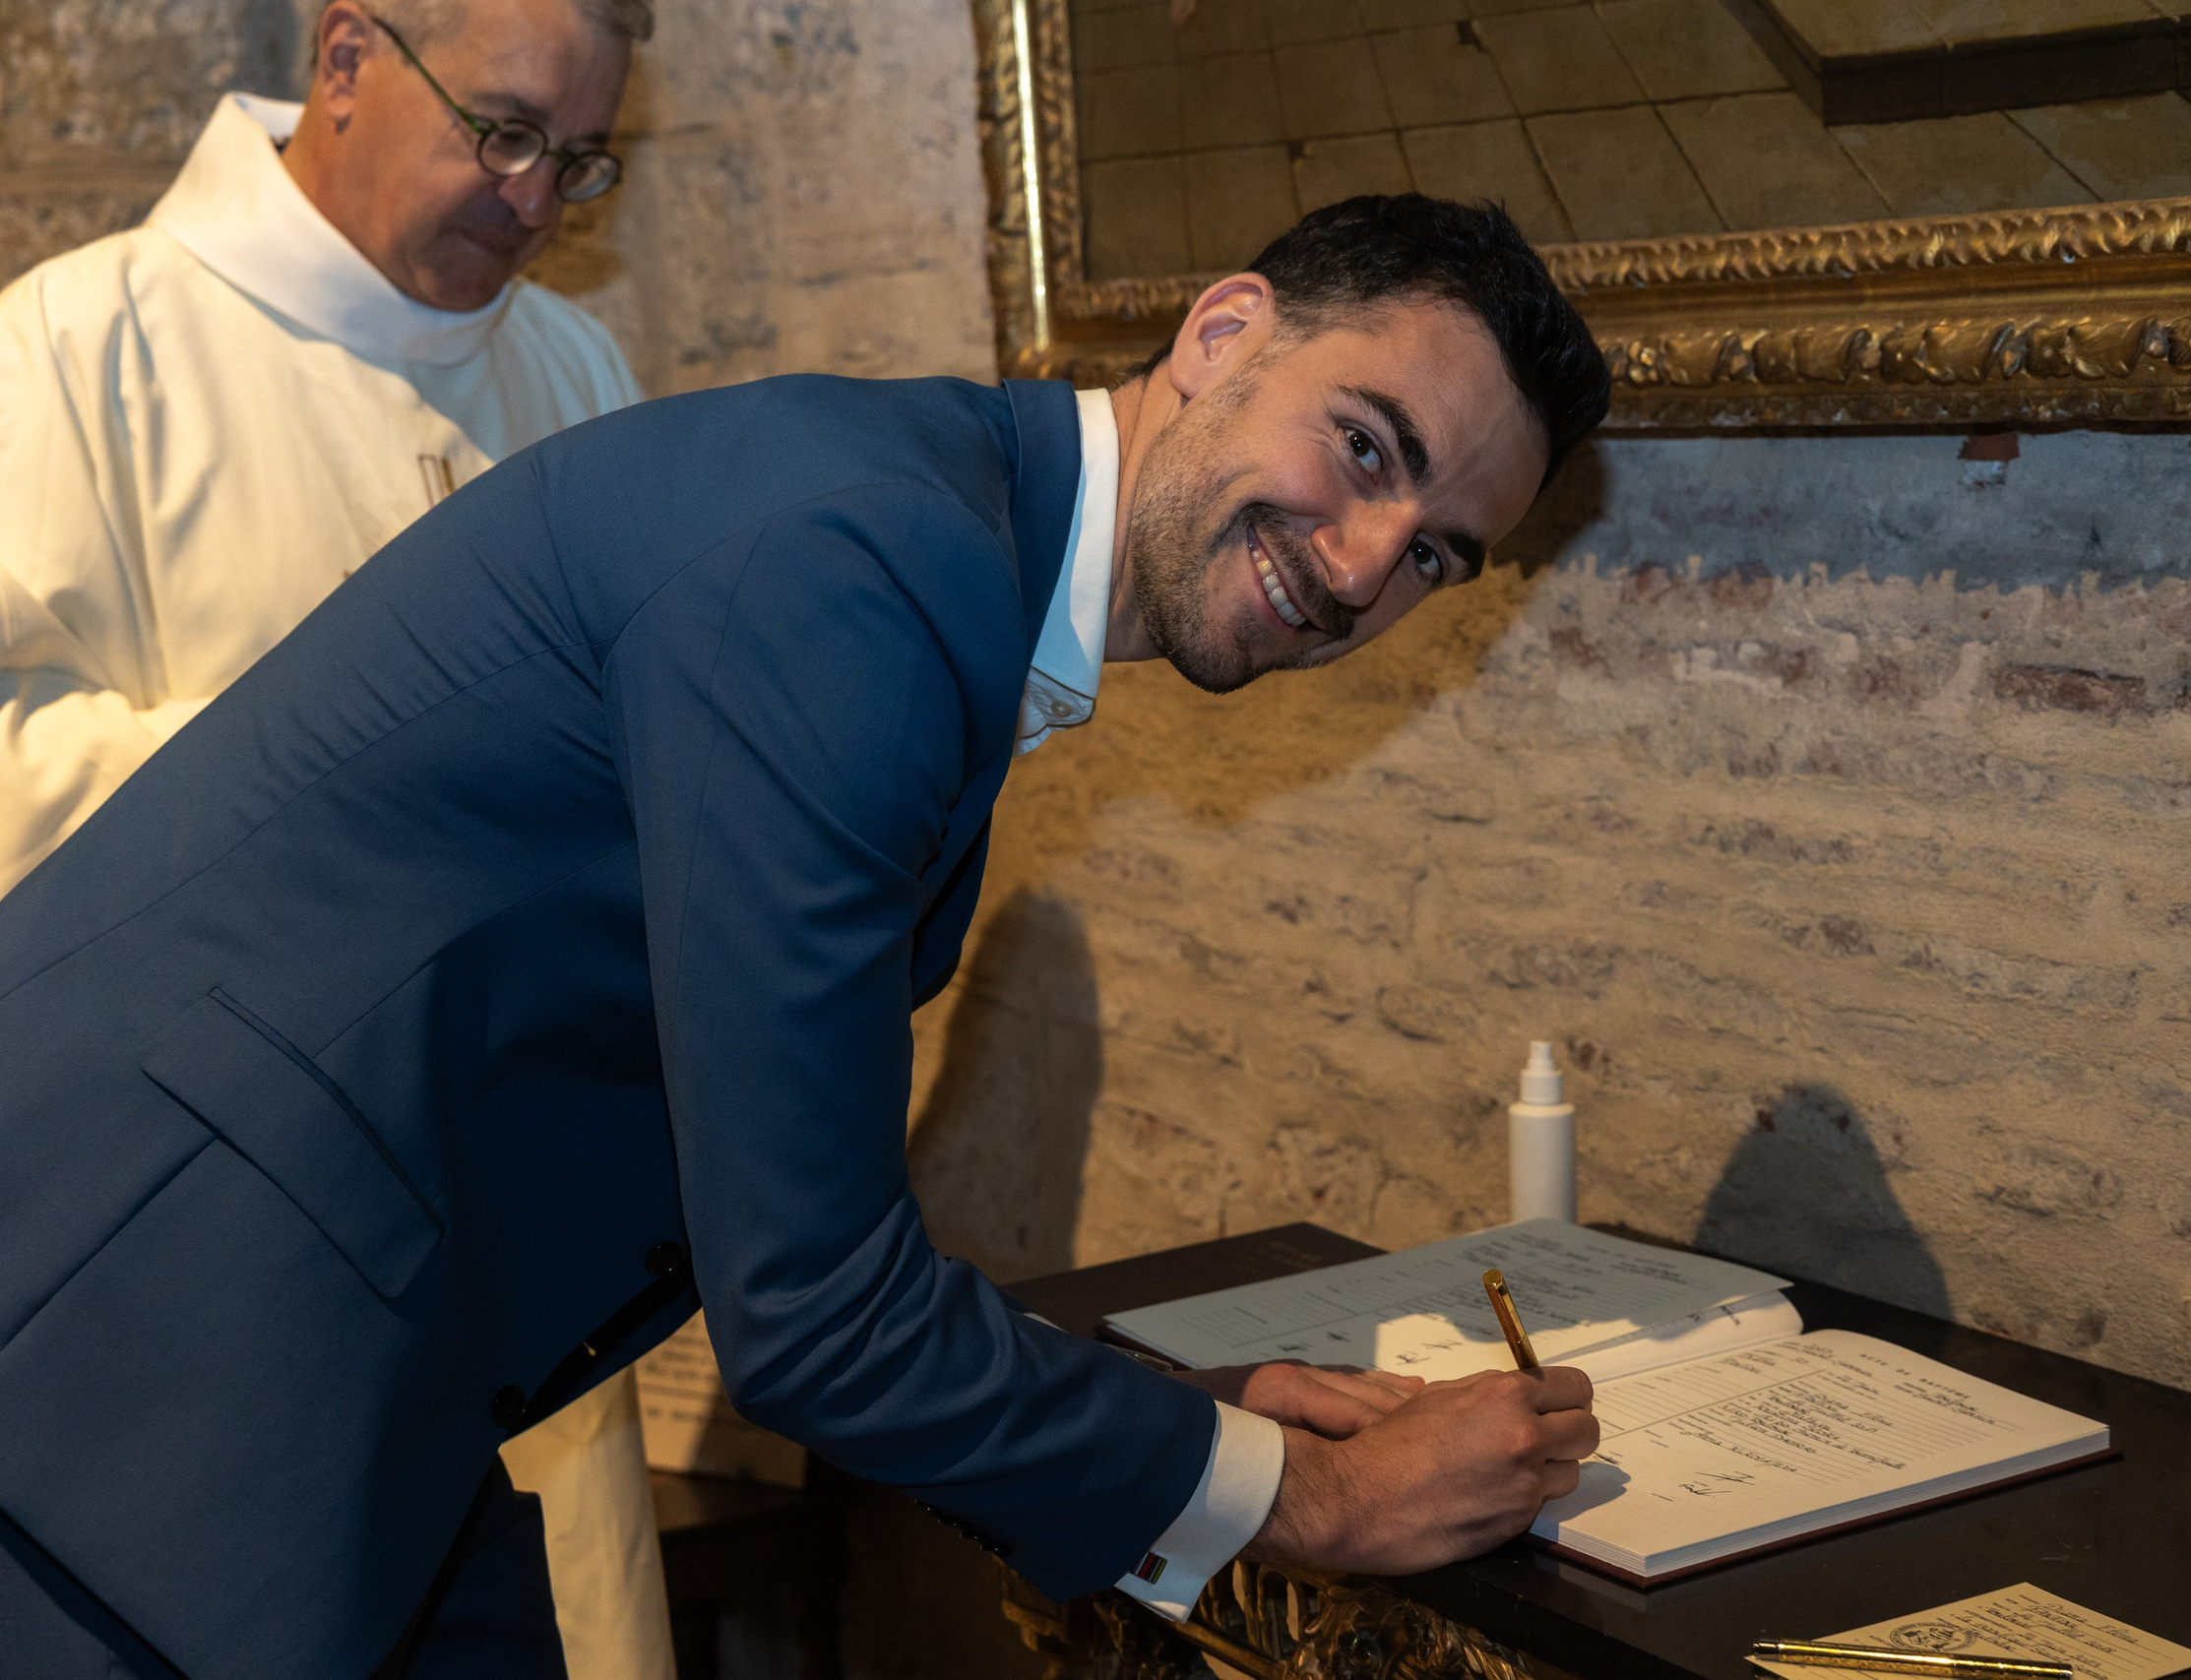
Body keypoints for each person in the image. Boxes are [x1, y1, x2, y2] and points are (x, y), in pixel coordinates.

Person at [0, 193, 1614, 1680]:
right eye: (1365, 446)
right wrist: (1320, 1504)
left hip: (339, 1371)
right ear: (1221, 332)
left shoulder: (939, 532)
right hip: (117, 1365)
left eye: (1433, 553)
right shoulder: (869, 560)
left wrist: (1186, 1423)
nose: (1362, 565)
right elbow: (819, 1315)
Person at [0, 1, 674, 1675]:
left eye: (579, 159)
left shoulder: (573, 368)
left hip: (515, 1226)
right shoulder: (74, 350)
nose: (535, 201)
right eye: (502, 131)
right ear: (349, 59)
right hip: (201, 1271)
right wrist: (379, 808)